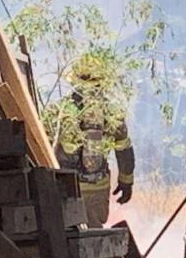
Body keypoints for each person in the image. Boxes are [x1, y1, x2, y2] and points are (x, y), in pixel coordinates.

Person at [55, 54, 134, 227]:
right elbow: (124, 152)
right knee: (95, 232)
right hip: (99, 188)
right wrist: (126, 183)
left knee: (69, 235)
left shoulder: (60, 111)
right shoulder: (113, 113)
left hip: (68, 188)